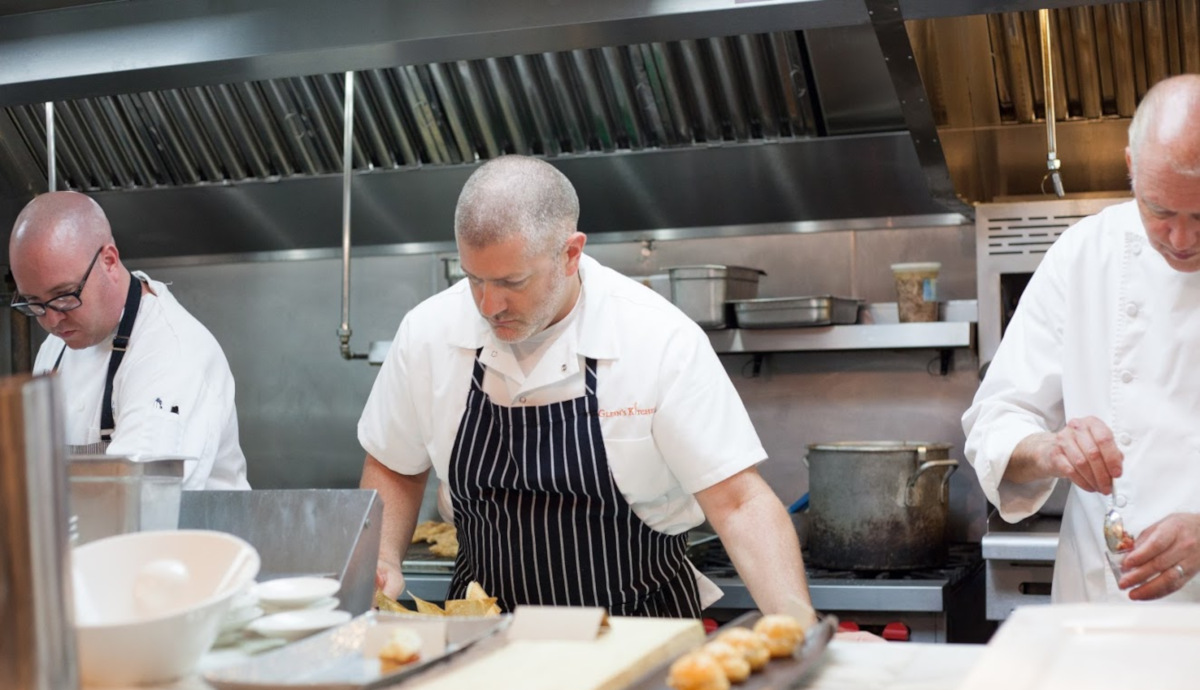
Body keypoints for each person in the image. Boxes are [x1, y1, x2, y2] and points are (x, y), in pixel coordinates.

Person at [359, 154, 812, 618]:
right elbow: (395, 464)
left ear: (571, 253)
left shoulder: (656, 338)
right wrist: (381, 556)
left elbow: (738, 503)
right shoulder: (428, 332)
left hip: (638, 632)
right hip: (482, 630)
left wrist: (798, 622)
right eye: (473, 279)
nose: (489, 305)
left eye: (512, 281)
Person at [962, 74, 1200, 604]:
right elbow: (996, 422)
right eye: (1159, 211)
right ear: (1131, 168)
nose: (1181, 241)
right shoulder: (1086, 254)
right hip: (1105, 608)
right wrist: (1052, 450)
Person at [8, 191, 249, 490]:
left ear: (109, 261)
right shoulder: (56, 346)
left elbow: (136, 499)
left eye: (65, 296)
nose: (51, 321)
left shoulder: (171, 353)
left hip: (172, 535)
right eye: (34, 303)